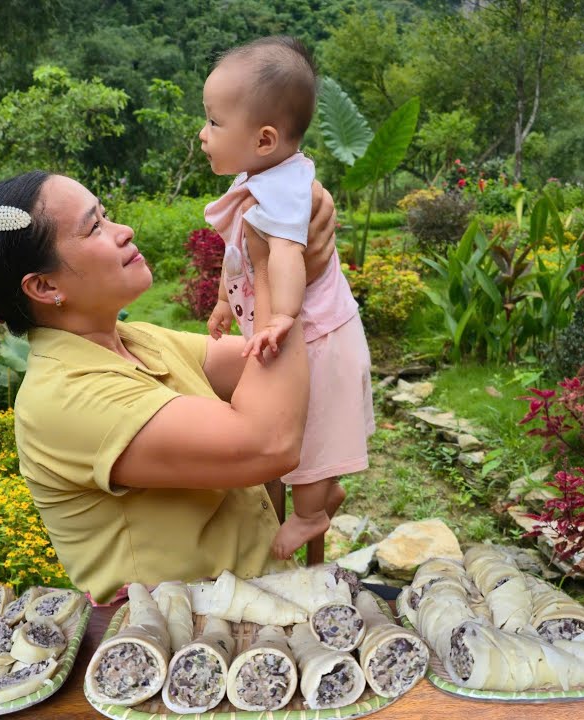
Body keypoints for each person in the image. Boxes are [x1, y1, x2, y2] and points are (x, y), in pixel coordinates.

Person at [0, 171, 337, 603]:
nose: (124, 231)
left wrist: (297, 265)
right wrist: (276, 262)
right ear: (45, 287)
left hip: (258, 614)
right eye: (94, 227)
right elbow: (268, 441)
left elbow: (280, 368)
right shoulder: (66, 397)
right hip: (180, 647)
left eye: (106, 214)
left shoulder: (137, 340)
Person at [200, 36, 375, 560]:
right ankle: (317, 499)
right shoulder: (267, 176)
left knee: (314, 438)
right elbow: (240, 258)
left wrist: (283, 316)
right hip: (307, 331)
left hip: (316, 336)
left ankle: (311, 513)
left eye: (213, 122)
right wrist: (225, 302)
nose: (203, 134)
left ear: (264, 138)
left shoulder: (284, 191)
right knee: (298, 431)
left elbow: (284, 256)